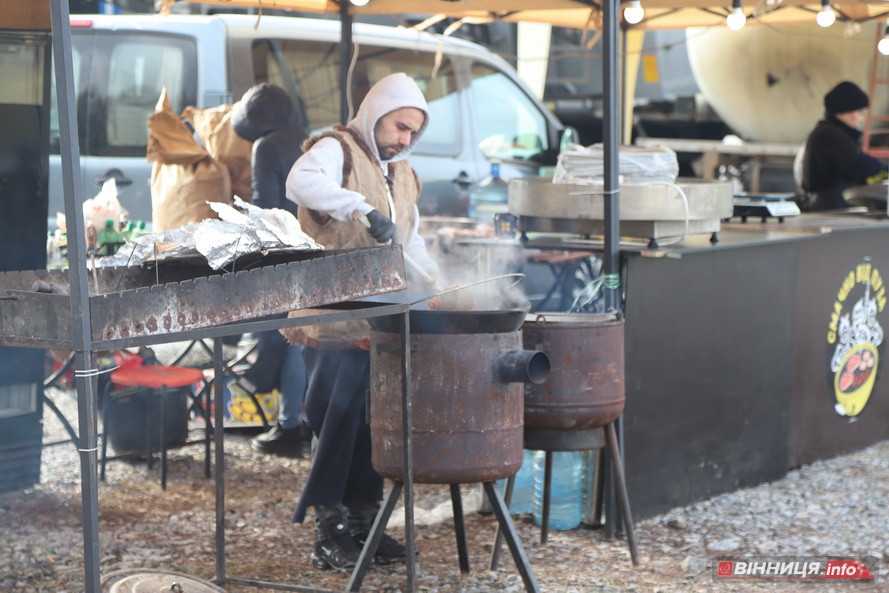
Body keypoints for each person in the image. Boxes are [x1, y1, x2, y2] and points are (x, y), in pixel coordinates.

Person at [282, 72, 437, 571]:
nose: (404, 139)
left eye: (413, 132)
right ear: (376, 114)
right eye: (399, 126)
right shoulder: (336, 149)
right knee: (336, 424)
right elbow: (298, 182)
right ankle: (329, 532)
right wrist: (360, 207)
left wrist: (436, 281)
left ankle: (365, 526)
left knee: (374, 425)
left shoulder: (403, 172)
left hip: (379, 323)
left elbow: (407, 239)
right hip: (332, 321)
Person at [232, 83, 311, 454]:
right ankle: (301, 421)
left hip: (285, 253)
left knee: (289, 335)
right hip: (318, 251)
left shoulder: (267, 146)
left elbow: (265, 206)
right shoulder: (308, 140)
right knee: (306, 333)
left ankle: (289, 424)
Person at [802, 81, 887, 211]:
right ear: (850, 112)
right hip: (830, 210)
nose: (862, 118)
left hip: (827, 206)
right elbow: (860, 166)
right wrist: (885, 171)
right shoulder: (829, 135)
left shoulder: (827, 132)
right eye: (861, 112)